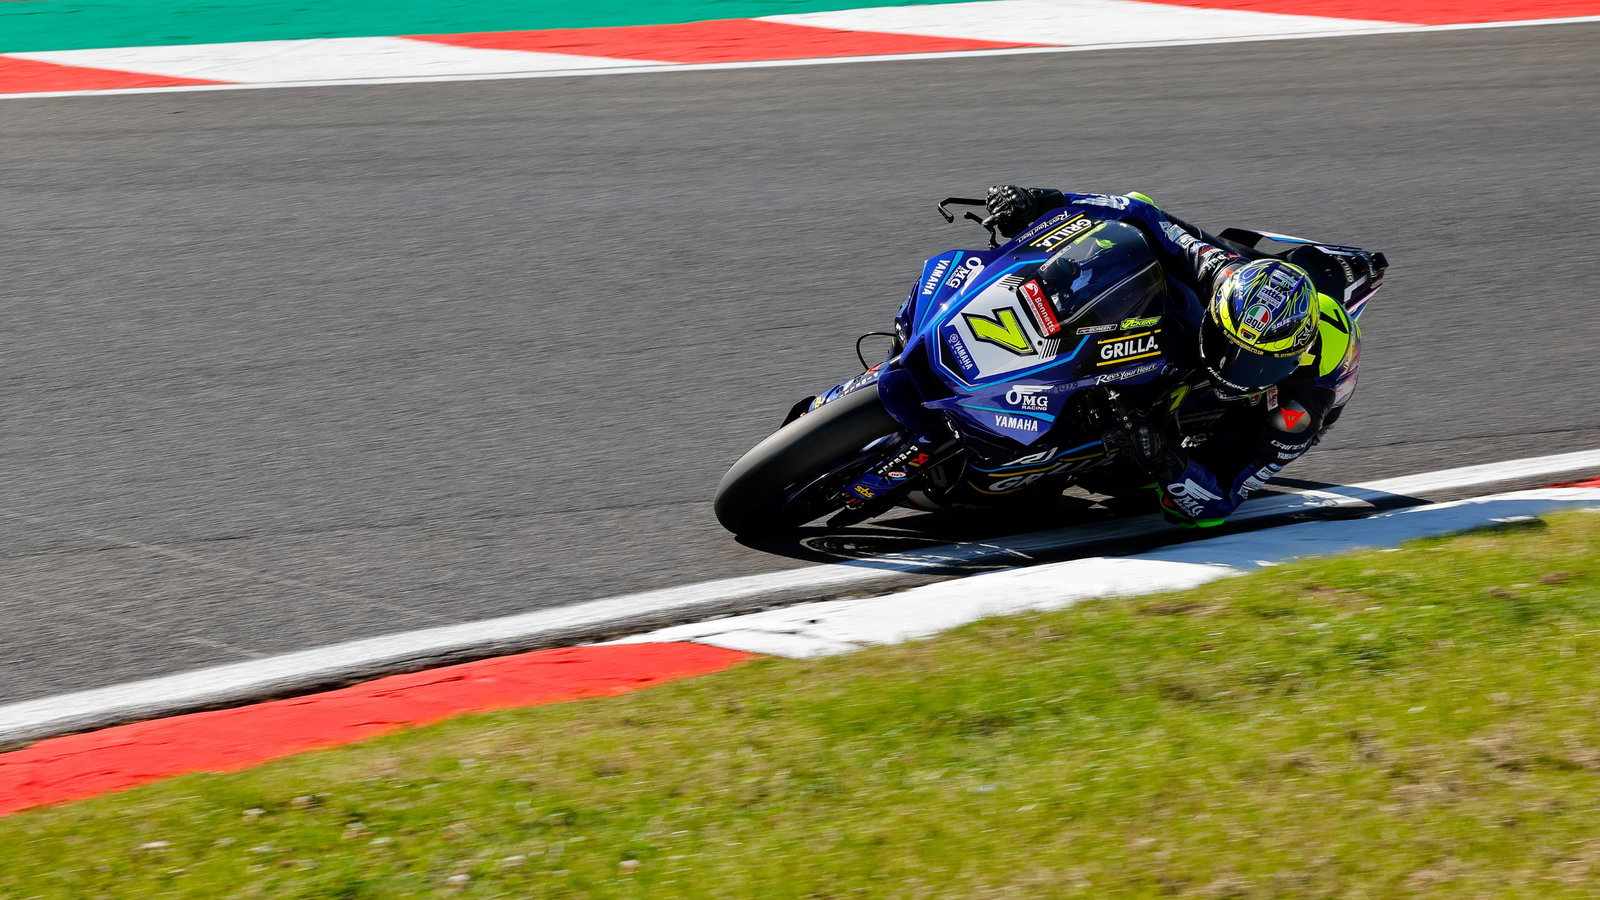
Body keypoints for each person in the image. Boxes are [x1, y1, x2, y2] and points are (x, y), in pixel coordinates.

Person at [981, 184, 1386, 527]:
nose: (1235, 368)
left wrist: (1166, 459)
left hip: (1265, 407)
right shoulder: (1220, 271)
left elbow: (1218, 504)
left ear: (1291, 357)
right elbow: (1139, 209)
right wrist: (1042, 200)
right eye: (1230, 346)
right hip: (1242, 283)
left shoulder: (1298, 407)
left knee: (1133, 483)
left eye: (1256, 361)